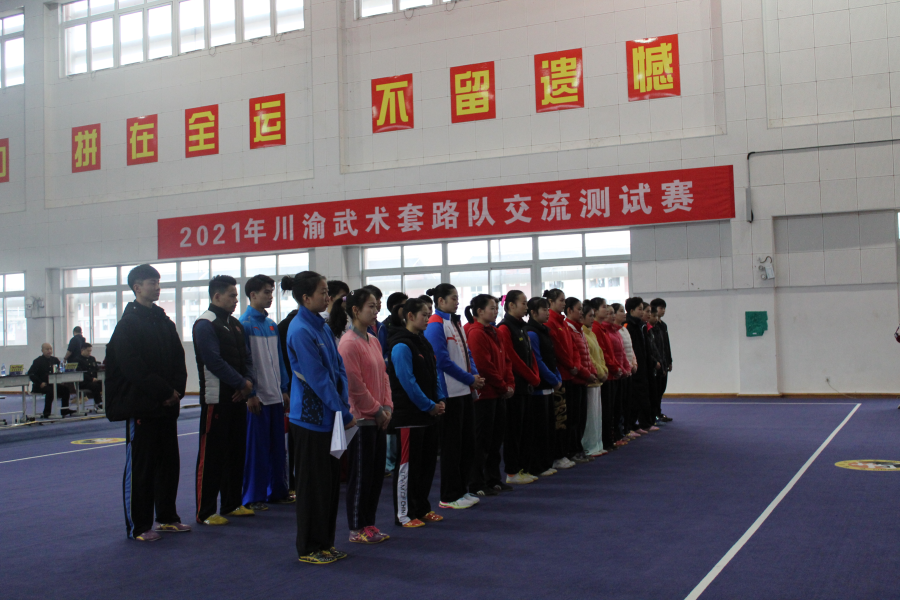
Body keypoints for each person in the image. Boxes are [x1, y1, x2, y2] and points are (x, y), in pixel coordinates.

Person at [105, 264, 189, 541]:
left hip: (166, 406)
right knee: (142, 468)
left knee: (168, 464)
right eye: (152, 282)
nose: (157, 287)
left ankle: (167, 517)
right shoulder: (127, 325)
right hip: (142, 405)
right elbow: (133, 367)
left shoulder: (165, 322)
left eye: (158, 282)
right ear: (137, 287)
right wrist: (163, 392)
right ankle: (139, 526)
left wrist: (176, 391)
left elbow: (178, 359)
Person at [283, 271, 356, 565]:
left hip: (331, 416)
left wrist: (343, 403)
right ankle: (309, 547)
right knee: (312, 487)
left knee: (328, 485)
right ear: (306, 298)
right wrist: (343, 411)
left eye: (327, 292)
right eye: (323, 292)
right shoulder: (300, 329)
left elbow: (338, 368)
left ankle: (326, 542)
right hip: (310, 420)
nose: (328, 297)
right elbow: (317, 378)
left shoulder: (321, 326)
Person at [194, 275, 256, 526]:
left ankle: (232, 503)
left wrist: (247, 383)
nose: (235, 300)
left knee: (235, 453)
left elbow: (247, 359)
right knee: (212, 457)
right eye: (231, 295)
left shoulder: (236, 324)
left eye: (236, 295)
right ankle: (205, 511)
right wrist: (241, 383)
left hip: (237, 398)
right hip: (216, 400)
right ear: (217, 296)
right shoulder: (204, 324)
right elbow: (213, 361)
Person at [336, 289, 394, 544]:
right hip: (361, 420)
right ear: (355, 310)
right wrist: (377, 410)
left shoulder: (373, 339)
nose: (376, 310)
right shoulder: (348, 343)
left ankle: (369, 523)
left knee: (375, 476)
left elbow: (384, 376)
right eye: (371, 306)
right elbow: (354, 386)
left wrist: (387, 407)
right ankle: (356, 528)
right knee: (360, 477)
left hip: (379, 418)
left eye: (376, 305)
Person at [424, 284, 485, 510]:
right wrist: (469, 378)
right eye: (453, 298)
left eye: (458, 297)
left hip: (464, 391)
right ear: (440, 301)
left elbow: (467, 354)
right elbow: (441, 360)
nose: (457, 301)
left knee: (467, 444)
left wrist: (474, 375)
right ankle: (449, 495)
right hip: (449, 393)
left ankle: (461, 489)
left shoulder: (455, 322)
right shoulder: (435, 324)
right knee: (451, 447)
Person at [386, 298, 446, 528]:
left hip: (428, 415)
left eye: (429, 314)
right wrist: (428, 405)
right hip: (409, 416)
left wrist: (439, 399)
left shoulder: (423, 341)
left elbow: (434, 373)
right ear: (410, 316)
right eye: (424, 314)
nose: (428, 318)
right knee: (407, 468)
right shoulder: (401, 345)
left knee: (426, 467)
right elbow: (407, 382)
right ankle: (404, 514)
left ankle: (422, 508)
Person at [239, 275, 293, 512]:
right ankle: (254, 496)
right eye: (266, 292)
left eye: (272, 292)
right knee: (257, 450)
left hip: (275, 396)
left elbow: (280, 359)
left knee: (278, 449)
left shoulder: (271, 324)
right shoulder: (244, 324)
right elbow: (244, 363)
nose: (271, 296)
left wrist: (284, 388)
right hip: (258, 398)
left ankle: (278, 491)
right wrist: (251, 393)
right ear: (253, 295)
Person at [464, 294, 513, 496]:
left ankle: (493, 479)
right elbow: (484, 366)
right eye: (492, 308)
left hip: (498, 393)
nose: (495, 311)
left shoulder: (495, 331)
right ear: (479, 311)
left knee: (495, 441)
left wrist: (509, 384)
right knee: (481, 441)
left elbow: (506, 360)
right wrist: (503, 386)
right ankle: (476, 483)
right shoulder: (475, 333)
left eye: (496, 308)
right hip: (485, 395)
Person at [496, 290, 542, 484]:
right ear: (511, 306)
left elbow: (530, 355)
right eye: (523, 303)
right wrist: (531, 376)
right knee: (514, 431)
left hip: (527, 385)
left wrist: (535, 376)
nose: (526, 307)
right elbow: (512, 359)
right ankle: (512, 472)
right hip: (515, 386)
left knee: (525, 430)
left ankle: (523, 468)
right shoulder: (504, 328)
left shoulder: (521, 327)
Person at [524, 297, 563, 476]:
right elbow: (537, 361)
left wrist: (557, 377)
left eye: (548, 309)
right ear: (533, 313)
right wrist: (553, 379)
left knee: (548, 428)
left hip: (549, 385)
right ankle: (538, 465)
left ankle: (546, 462)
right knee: (539, 429)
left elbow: (551, 358)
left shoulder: (544, 330)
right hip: (539, 388)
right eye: (544, 309)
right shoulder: (532, 332)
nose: (548, 312)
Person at [542, 289, 579, 470]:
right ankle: (558, 454)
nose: (564, 303)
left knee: (570, 416)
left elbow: (573, 347)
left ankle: (566, 451)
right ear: (550, 302)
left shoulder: (563, 323)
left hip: (570, 374)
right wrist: (570, 364)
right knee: (560, 419)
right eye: (561, 300)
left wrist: (575, 364)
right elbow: (558, 350)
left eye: (564, 300)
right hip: (561, 376)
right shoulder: (550, 322)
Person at [563, 298, 598, 463]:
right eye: (579, 309)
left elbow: (586, 355)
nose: (581, 312)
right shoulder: (568, 328)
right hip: (575, 379)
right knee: (573, 419)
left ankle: (578, 448)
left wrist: (592, 371)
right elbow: (573, 357)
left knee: (581, 417)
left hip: (583, 378)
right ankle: (572, 450)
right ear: (569, 310)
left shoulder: (579, 330)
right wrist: (586, 373)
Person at [591, 297, 622, 452]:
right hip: (605, 374)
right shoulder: (597, 329)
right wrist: (613, 368)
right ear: (596, 311)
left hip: (610, 372)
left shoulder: (601, 329)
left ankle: (608, 439)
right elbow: (603, 353)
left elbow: (610, 353)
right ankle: (605, 440)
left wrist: (616, 367)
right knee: (606, 410)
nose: (608, 311)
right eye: (604, 307)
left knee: (610, 410)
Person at [278, 278, 300, 497]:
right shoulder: (290, 326)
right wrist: (285, 388)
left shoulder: (318, 325)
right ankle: (291, 482)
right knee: (293, 440)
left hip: (302, 391)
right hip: (294, 392)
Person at [581, 301, 608, 457]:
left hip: (599, 379)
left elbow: (600, 355)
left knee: (597, 416)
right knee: (590, 417)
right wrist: (599, 371)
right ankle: (589, 446)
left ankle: (597, 444)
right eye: (589, 316)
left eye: (593, 316)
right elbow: (589, 358)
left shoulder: (592, 334)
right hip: (592, 380)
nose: (592, 319)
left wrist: (604, 370)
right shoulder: (584, 334)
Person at [624, 297, 655, 436]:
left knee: (643, 396)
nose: (642, 312)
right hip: (634, 367)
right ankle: (630, 424)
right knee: (634, 398)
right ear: (631, 311)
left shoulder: (640, 326)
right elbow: (629, 349)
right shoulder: (628, 326)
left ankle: (638, 423)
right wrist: (633, 364)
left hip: (642, 365)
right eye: (640, 309)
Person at [605, 303, 632, 446]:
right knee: (612, 408)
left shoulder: (618, 331)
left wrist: (627, 366)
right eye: (610, 313)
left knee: (620, 405)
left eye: (612, 313)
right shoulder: (605, 331)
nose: (612, 316)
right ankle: (613, 435)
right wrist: (618, 368)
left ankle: (620, 432)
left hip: (621, 372)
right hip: (612, 374)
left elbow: (625, 352)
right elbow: (608, 355)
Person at [28, 343, 73, 418]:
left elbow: (60, 371)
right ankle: (47, 412)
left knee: (66, 390)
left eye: (50, 349)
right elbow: (31, 374)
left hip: (53, 384)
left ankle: (65, 410)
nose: (49, 351)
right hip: (40, 385)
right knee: (50, 391)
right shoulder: (37, 361)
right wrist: (40, 383)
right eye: (47, 349)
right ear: (42, 350)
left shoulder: (55, 360)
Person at [651, 298, 674, 423]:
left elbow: (666, 345)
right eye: (661, 308)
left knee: (661, 389)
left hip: (664, 361)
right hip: (656, 362)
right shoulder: (652, 327)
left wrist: (669, 361)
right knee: (655, 390)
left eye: (664, 308)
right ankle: (654, 413)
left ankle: (658, 412)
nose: (663, 310)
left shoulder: (663, 326)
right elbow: (654, 347)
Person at [76, 343, 103, 410]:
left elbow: (96, 369)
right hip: (83, 382)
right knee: (95, 386)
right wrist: (91, 379)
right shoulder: (77, 360)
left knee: (105, 384)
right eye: (88, 351)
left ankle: (107, 402)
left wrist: (97, 378)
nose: (89, 352)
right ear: (82, 350)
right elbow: (80, 373)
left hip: (94, 380)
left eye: (90, 351)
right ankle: (99, 404)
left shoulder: (92, 359)